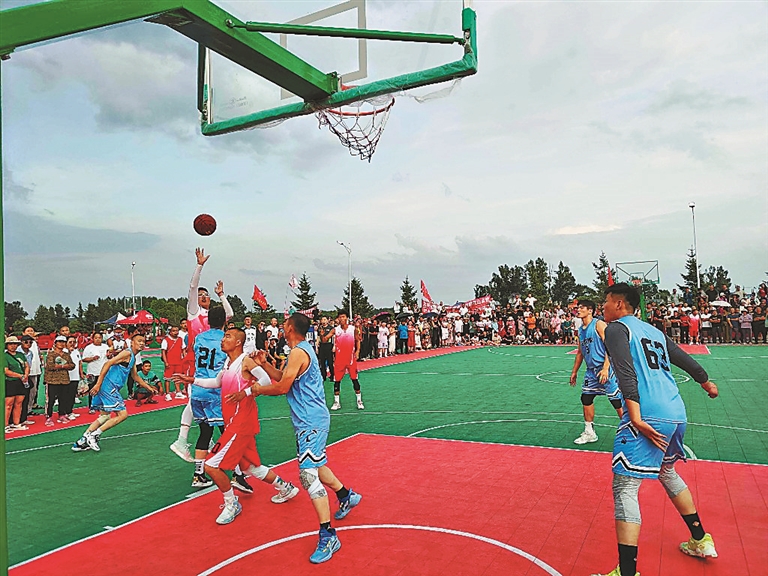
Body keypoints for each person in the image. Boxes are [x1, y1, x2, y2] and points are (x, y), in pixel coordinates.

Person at [591, 284, 719, 576]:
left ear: (620, 304)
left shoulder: (616, 329)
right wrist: (705, 382)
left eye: (606, 301)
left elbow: (625, 372)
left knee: (625, 486)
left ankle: (627, 573)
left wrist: (635, 417)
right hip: (675, 411)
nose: (603, 307)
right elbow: (684, 359)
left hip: (647, 412)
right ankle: (700, 540)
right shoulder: (654, 331)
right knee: (666, 471)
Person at [228, 313, 361, 564]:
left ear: (290, 328)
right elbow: (283, 377)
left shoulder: (299, 352)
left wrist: (255, 390)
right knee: (316, 465)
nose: (282, 326)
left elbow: (282, 387)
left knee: (307, 475)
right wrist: (265, 365)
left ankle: (328, 535)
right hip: (307, 420)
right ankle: (346, 496)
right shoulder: (299, 352)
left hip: (311, 421)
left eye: (285, 324)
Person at [190, 327, 299, 525]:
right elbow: (216, 382)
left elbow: (264, 380)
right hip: (234, 421)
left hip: (240, 423)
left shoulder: (246, 361)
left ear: (238, 342)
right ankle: (286, 488)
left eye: (228, 336)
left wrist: (246, 393)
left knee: (211, 465)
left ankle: (231, 503)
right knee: (250, 467)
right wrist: (192, 380)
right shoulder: (227, 363)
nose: (223, 340)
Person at [174, 306, 252, 493]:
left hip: (197, 390)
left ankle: (198, 474)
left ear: (208, 321)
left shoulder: (199, 338)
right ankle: (237, 474)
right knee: (228, 433)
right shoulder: (225, 339)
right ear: (225, 321)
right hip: (215, 391)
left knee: (205, 432)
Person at [169, 248, 234, 463]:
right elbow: (192, 287)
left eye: (207, 295)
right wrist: (199, 265)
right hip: (196, 363)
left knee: (203, 410)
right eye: (201, 295)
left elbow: (229, 314)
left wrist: (221, 295)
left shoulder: (212, 316)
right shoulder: (194, 313)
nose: (204, 297)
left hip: (211, 364)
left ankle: (201, 449)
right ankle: (182, 440)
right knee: (195, 400)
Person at [72, 334, 157, 452]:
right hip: (109, 386)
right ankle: (94, 435)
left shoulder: (133, 357)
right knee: (122, 414)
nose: (142, 343)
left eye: (143, 341)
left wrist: (148, 387)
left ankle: (82, 441)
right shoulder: (126, 353)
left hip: (109, 387)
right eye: (139, 341)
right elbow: (107, 363)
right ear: (132, 342)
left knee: (105, 416)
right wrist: (98, 384)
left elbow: (135, 376)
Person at [569, 300, 624, 444]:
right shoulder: (581, 330)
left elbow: (610, 346)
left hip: (605, 367)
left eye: (582, 307)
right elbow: (580, 352)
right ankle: (589, 432)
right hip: (591, 371)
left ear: (590, 310)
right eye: (578, 307)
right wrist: (574, 372)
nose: (578, 310)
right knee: (586, 398)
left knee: (616, 401)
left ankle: (631, 430)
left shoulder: (599, 324)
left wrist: (606, 368)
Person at [330, 312, 363, 411]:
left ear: (347, 318)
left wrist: (357, 351)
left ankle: (359, 401)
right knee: (337, 381)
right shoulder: (336, 330)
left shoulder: (353, 329)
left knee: (354, 380)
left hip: (351, 359)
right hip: (339, 359)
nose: (341, 318)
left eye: (343, 317)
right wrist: (323, 336)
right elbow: (325, 339)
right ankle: (336, 402)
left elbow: (358, 340)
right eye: (340, 317)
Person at [44, 336, 75, 426]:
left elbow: (72, 365)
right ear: (55, 343)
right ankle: (49, 416)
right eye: (59, 342)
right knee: (51, 400)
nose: (61, 344)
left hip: (64, 380)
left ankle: (61, 414)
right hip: (52, 380)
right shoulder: (51, 354)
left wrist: (61, 366)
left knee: (63, 398)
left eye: (63, 342)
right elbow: (50, 366)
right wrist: (64, 366)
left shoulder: (66, 354)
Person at [5, 336, 30, 433]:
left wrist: (26, 375)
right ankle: (5, 425)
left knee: (19, 403)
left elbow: (26, 365)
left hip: (21, 382)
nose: (13, 346)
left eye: (15, 344)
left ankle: (16, 423)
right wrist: (20, 375)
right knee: (8, 404)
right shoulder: (4, 356)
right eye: (11, 344)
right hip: (10, 381)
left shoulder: (20, 354)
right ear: (7, 345)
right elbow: (6, 371)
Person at [82, 332, 110, 414]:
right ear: (93, 339)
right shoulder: (89, 348)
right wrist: (92, 358)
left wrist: (109, 355)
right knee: (92, 389)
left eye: (99, 338)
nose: (98, 339)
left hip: (104, 372)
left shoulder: (105, 347)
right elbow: (84, 359)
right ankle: (92, 407)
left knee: (104, 389)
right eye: (96, 338)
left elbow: (109, 356)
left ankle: (102, 405)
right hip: (92, 372)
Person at [161, 325, 187, 400]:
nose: (176, 332)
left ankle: (178, 392)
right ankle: (167, 394)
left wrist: (185, 359)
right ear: (170, 332)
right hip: (170, 362)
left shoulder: (180, 339)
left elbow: (183, 350)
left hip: (179, 362)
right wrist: (166, 362)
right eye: (174, 331)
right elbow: (163, 352)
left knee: (177, 377)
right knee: (168, 378)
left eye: (177, 330)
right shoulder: (166, 340)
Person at [21, 327, 43, 411]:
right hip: (25, 373)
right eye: (28, 331)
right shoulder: (21, 345)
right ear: (23, 333)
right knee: (24, 391)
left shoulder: (35, 344)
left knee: (33, 391)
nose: (30, 332)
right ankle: (23, 410)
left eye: (32, 331)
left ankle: (30, 408)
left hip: (36, 370)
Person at [316, 316, 334, 381]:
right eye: (322, 319)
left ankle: (332, 375)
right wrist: (317, 346)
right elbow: (318, 337)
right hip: (322, 346)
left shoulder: (331, 328)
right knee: (322, 362)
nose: (323, 321)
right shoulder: (319, 328)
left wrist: (334, 346)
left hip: (329, 345)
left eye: (325, 319)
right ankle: (323, 376)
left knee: (330, 362)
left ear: (327, 320)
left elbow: (334, 337)